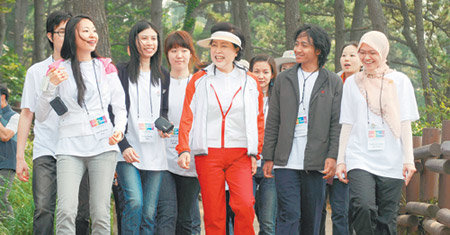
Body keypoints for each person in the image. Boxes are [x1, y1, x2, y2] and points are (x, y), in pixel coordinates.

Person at [35, 15, 126, 234]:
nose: (92, 35)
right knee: (66, 210)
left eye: (94, 30)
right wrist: (50, 86)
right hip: (69, 148)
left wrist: (119, 131)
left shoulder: (106, 67)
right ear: (72, 35)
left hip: (104, 146)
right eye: (85, 31)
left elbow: (120, 107)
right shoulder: (58, 69)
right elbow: (41, 114)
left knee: (100, 212)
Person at [177, 22, 265, 234]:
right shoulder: (199, 79)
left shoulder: (250, 81)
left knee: (244, 204)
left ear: (236, 51)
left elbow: (259, 119)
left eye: (225, 46)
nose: (217, 50)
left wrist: (256, 153)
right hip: (208, 154)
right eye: (214, 45)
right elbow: (187, 116)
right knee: (214, 213)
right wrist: (184, 148)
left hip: (240, 154)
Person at [15, 11, 91, 235]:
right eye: (62, 32)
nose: (67, 36)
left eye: (72, 32)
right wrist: (20, 157)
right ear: (50, 36)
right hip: (46, 150)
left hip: (79, 150)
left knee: (81, 212)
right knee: (43, 210)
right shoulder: (36, 71)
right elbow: (27, 114)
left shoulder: (85, 68)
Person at [262, 24, 342, 235]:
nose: (297, 49)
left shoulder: (332, 81)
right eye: (296, 44)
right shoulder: (283, 80)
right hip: (285, 160)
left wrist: (333, 156)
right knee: (288, 213)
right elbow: (273, 120)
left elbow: (337, 123)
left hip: (316, 161)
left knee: (312, 217)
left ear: (318, 50)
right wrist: (268, 156)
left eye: (304, 45)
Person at [335, 31, 418, 235]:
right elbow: (347, 123)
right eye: (362, 52)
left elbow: (405, 123)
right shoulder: (352, 83)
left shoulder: (400, 81)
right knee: (362, 206)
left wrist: (409, 159)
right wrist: (340, 161)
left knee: (386, 219)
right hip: (360, 157)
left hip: (391, 159)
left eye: (372, 52)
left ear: (383, 52)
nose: (367, 57)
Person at [114, 20, 169, 234]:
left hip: (155, 151)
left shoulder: (163, 75)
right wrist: (123, 145)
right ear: (134, 41)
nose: (150, 43)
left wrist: (165, 126)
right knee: (134, 202)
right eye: (144, 38)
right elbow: (113, 112)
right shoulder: (121, 72)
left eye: (153, 38)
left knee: (148, 212)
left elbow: (163, 110)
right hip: (127, 151)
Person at [156, 30, 201, 235]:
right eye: (174, 50)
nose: (179, 55)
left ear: (191, 53)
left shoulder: (200, 84)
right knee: (166, 214)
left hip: (190, 158)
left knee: (187, 217)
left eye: (183, 50)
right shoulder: (158, 83)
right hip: (163, 157)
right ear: (167, 54)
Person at [320, 41, 362, 235]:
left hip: (358, 153)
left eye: (353, 55)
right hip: (332, 150)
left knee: (354, 208)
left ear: (362, 59)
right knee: (338, 209)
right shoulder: (331, 81)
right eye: (344, 55)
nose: (347, 59)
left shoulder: (368, 83)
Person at [249, 54, 278, 235]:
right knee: (244, 214)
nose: (261, 76)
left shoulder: (279, 100)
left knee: (268, 222)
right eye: (256, 71)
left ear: (272, 74)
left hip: (271, 165)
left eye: (265, 72)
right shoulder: (243, 97)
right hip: (247, 164)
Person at [0, 85, 19, 219]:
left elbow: (6, 135)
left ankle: (10, 227)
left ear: (2, 97)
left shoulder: (15, 116)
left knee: (1, 198)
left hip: (6, 163)